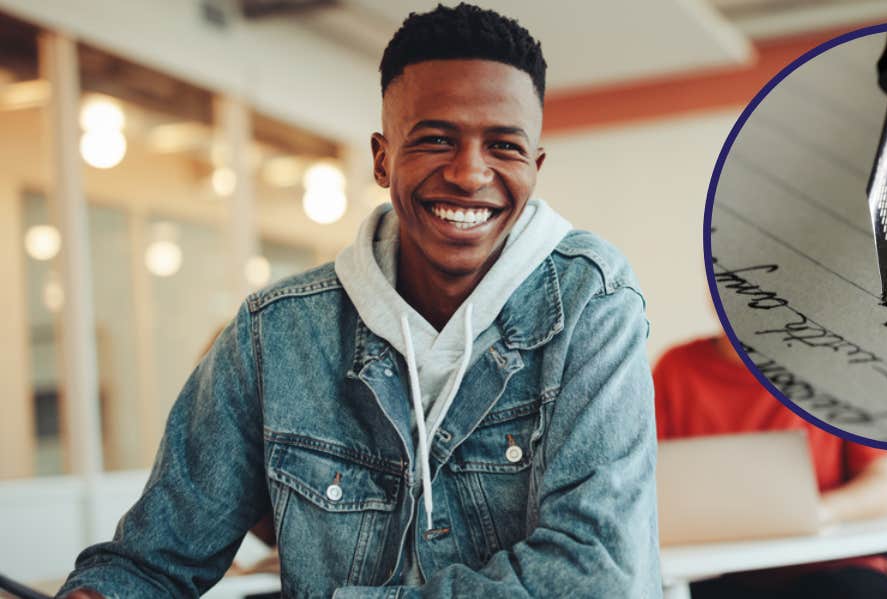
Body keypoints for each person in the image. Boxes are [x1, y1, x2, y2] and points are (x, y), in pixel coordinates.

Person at [61, 5, 659, 597]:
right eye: (436, 139)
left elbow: (594, 579)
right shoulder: (275, 335)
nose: (470, 173)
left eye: (503, 146)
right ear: (382, 158)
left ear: (535, 165)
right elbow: (150, 565)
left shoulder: (591, 301)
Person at [654, 334, 887, 599]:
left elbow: (884, 486)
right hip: (717, 571)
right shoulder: (676, 366)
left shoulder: (839, 362)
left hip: (832, 565)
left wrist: (820, 512)